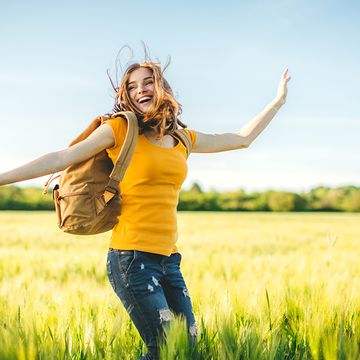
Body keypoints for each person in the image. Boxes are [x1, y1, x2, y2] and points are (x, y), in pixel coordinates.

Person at [0, 53, 291, 359]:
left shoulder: (184, 139)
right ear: (126, 96)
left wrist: (278, 101)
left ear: (162, 88)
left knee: (185, 349)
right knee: (164, 348)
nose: (141, 89)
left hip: (169, 260)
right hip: (132, 259)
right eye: (132, 86)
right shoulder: (120, 130)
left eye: (148, 82)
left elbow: (242, 139)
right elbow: (61, 157)